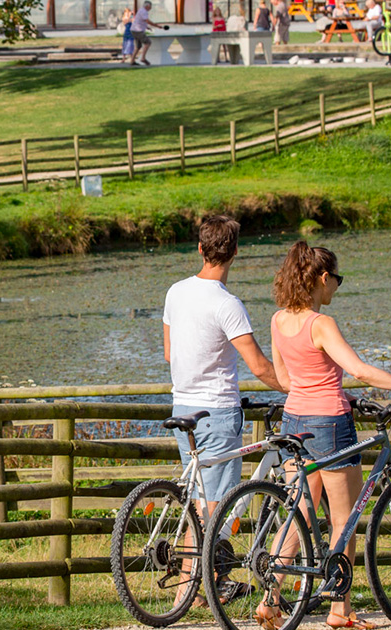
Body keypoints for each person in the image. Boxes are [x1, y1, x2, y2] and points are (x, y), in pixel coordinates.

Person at [256, 241, 391, 630]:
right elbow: (361, 369)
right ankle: (340, 610)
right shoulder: (321, 324)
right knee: (344, 519)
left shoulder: (278, 320)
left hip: (295, 421)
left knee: (300, 512)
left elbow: (287, 380)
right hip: (330, 425)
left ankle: (270, 600)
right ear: (322, 278)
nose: (337, 287)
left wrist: (325, 387)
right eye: (336, 280)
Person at [163, 215, 288, 607]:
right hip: (216, 410)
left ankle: (196, 589)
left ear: (200, 249)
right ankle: (191, 589)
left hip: (182, 404)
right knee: (213, 505)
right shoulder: (227, 304)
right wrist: (298, 387)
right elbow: (259, 366)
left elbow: (169, 353)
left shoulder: (175, 292)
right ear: (235, 252)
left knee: (200, 499)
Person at [131, 0, 165, 66]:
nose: (151, 8)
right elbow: (147, 21)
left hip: (134, 30)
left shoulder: (141, 10)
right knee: (148, 42)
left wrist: (146, 27)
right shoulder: (144, 12)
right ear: (147, 6)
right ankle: (143, 58)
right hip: (138, 30)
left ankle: (132, 61)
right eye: (150, 6)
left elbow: (141, 21)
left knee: (138, 46)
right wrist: (157, 26)